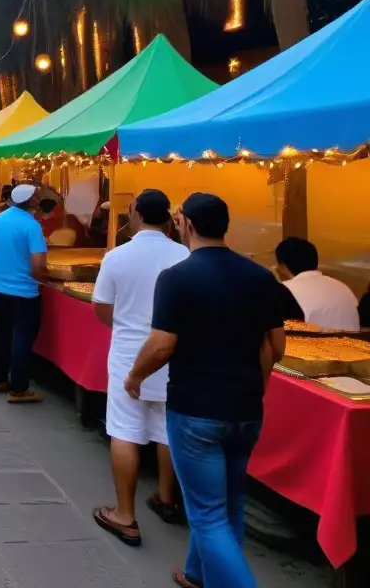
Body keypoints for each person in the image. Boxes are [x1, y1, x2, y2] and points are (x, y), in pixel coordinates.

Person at [126, 193, 288, 588]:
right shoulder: (259, 276)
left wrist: (134, 376)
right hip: (246, 408)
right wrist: (257, 383)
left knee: (208, 515)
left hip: (196, 409)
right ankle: (198, 573)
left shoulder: (179, 277)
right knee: (228, 504)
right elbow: (277, 346)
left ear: (187, 225)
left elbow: (163, 343)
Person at [90, 190, 190, 547]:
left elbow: (101, 308)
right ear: (166, 218)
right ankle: (166, 497)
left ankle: (125, 514)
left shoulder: (117, 256)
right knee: (166, 427)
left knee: (124, 429)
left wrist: (126, 323)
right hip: (173, 352)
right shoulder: (184, 254)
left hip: (130, 352)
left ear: (133, 215)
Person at [0, 184, 48, 404]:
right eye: (36, 199)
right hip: (25, 292)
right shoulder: (31, 225)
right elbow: (38, 263)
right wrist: (43, 280)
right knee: (22, 337)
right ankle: (19, 389)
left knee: (0, 333)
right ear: (31, 202)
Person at [274, 237, 359, 331]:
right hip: (356, 344)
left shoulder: (284, 291)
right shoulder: (343, 287)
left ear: (282, 266)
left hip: (312, 344)